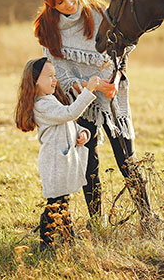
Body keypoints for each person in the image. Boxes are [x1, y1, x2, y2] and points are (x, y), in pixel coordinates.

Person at [33, 0, 152, 227]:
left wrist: (116, 81)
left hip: (112, 95)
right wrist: (82, 86)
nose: (69, 4)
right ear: (51, 5)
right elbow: (58, 68)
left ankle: (148, 217)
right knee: (89, 163)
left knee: (127, 159)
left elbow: (122, 49)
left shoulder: (99, 13)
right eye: (60, 3)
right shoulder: (47, 27)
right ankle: (97, 222)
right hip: (80, 100)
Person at [15, 57, 100, 250]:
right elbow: (69, 114)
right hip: (54, 163)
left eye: (55, 76)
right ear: (35, 80)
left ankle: (69, 238)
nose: (55, 80)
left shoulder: (51, 100)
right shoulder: (41, 105)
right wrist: (89, 91)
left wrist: (83, 133)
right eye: (49, 76)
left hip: (63, 161)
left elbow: (69, 122)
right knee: (55, 204)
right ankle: (46, 242)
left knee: (63, 202)